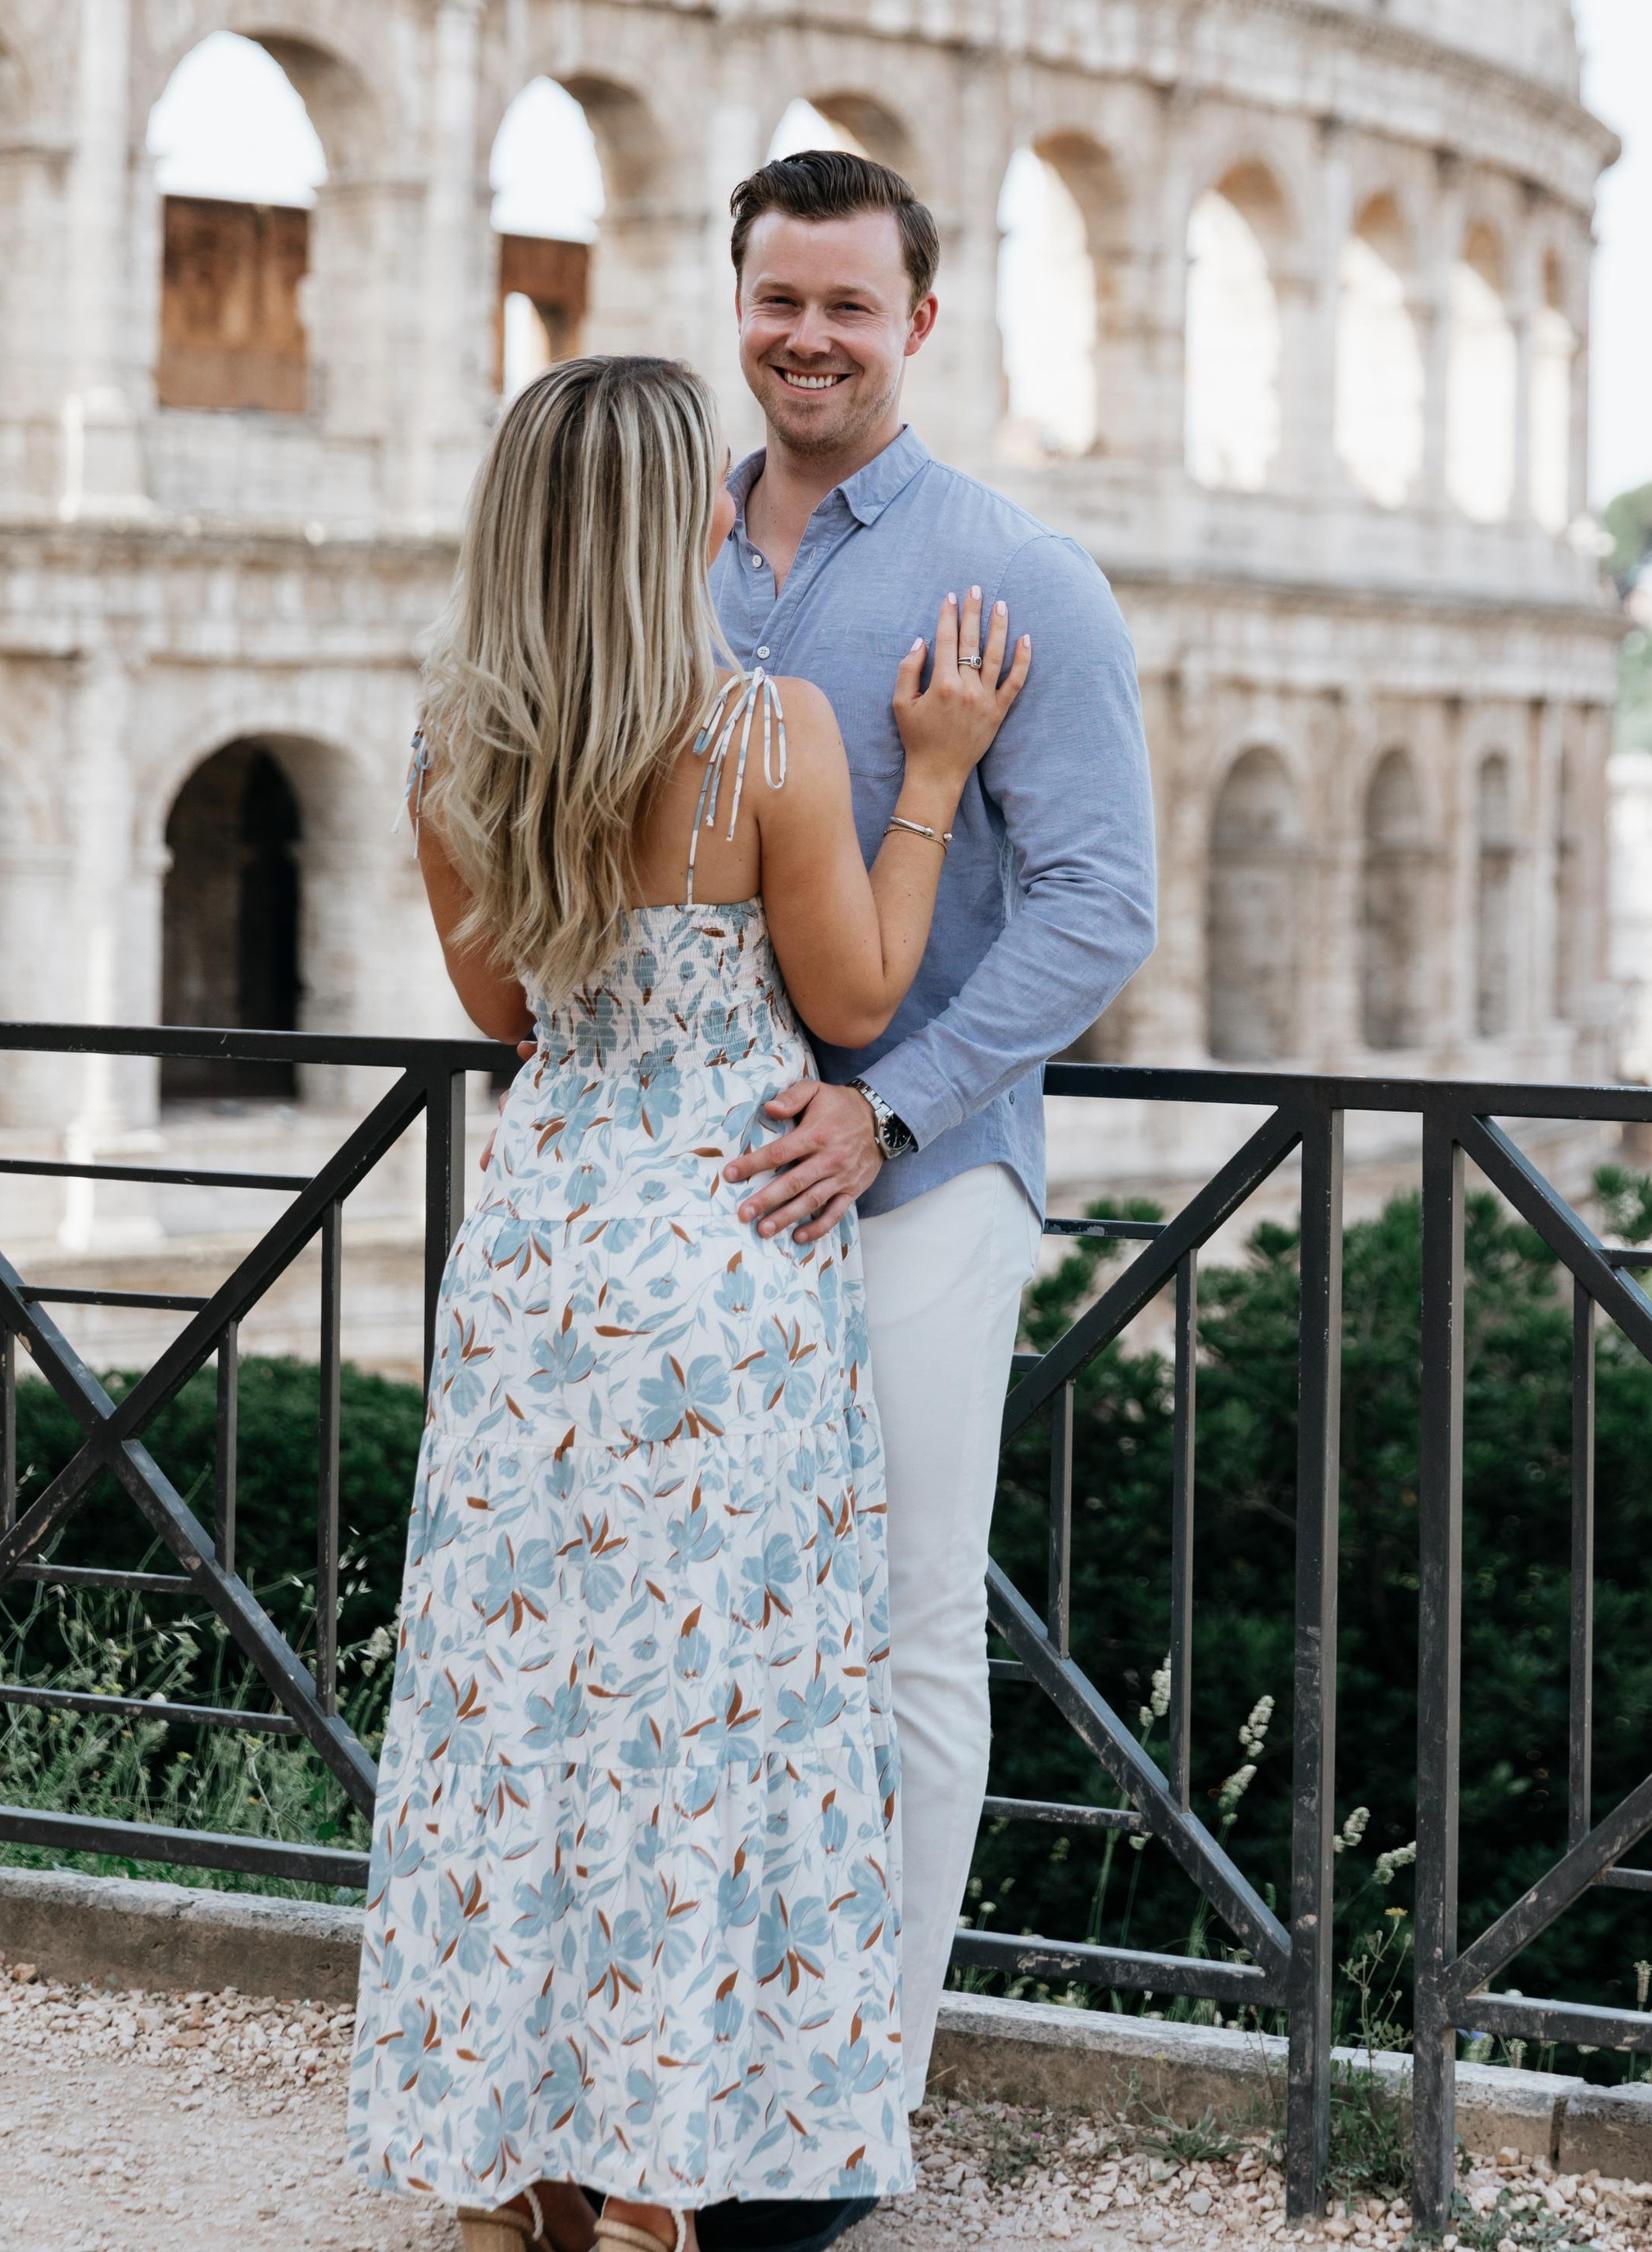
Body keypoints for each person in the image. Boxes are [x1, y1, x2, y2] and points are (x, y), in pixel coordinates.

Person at [347, 352, 1030, 2252]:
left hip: (540, 1262)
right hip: (723, 1276)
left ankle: (509, 2183)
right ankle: (658, 2179)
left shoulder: (448, 751)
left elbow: (502, 1017)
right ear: (685, 527)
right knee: (698, 1730)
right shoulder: (765, 736)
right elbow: (866, 999)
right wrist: (943, 781)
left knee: (516, 1719)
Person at [697, 148, 1159, 2252]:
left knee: (897, 1650)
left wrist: (889, 1108)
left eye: (846, 309)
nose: (806, 337)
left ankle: (844, 2117)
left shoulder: (1014, 575)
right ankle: (697, 2064)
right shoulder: (667, 551)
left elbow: (1098, 910)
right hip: (692, 1199)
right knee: (696, 1644)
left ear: (919, 324)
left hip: (914, 1193)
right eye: (776, 300)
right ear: (738, 301)